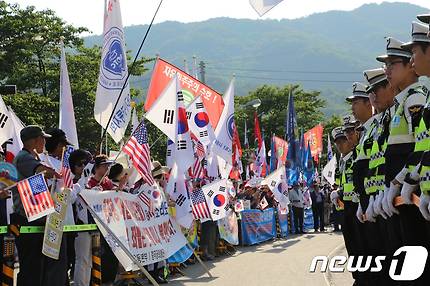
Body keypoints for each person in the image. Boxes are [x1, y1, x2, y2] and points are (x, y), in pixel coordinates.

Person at [10, 125, 68, 286]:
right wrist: (57, 173)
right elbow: (42, 170)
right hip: (27, 216)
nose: (44, 142)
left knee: (39, 266)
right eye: (43, 139)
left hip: (37, 215)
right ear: (36, 140)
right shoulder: (23, 157)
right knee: (31, 267)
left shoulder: (31, 157)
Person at [69, 149, 93, 286]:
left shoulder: (90, 182)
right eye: (80, 164)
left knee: (88, 260)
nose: (83, 167)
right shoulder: (70, 181)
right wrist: (79, 184)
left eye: (87, 164)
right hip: (75, 225)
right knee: (81, 259)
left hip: (88, 224)